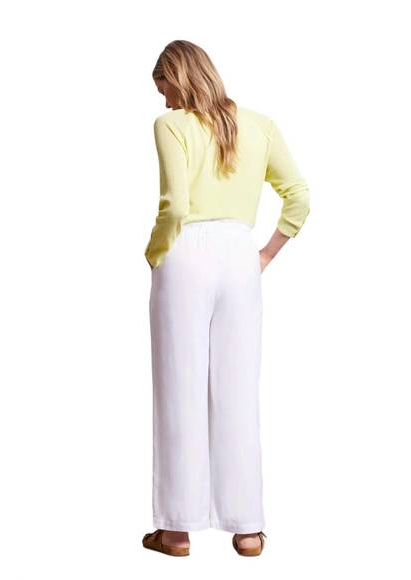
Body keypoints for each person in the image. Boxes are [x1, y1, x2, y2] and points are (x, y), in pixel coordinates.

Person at [142, 40, 310, 557]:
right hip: (240, 257)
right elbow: (299, 196)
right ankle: (248, 529)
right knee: (238, 390)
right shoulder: (260, 125)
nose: (165, 100)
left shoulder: (171, 126)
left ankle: (176, 531)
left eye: (165, 88)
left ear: (178, 77)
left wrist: (155, 252)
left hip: (185, 255)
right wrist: (264, 255)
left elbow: (175, 206)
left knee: (180, 388)